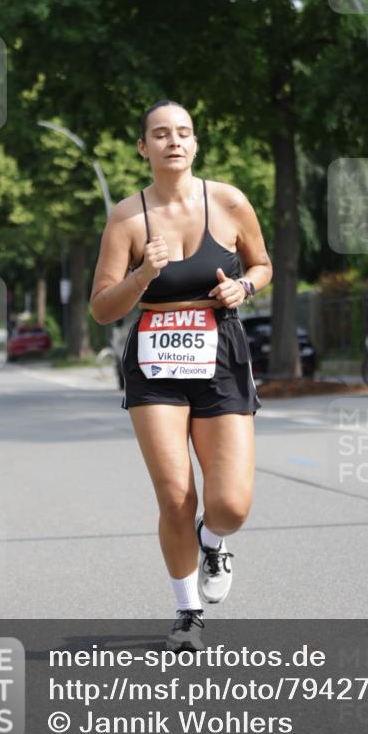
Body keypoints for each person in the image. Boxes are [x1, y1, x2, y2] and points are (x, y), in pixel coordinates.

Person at [90, 101, 273, 651]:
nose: (174, 141)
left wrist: (244, 287)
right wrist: (143, 274)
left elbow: (262, 264)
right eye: (161, 134)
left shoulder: (229, 201)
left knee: (231, 505)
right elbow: (101, 308)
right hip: (154, 359)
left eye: (184, 133)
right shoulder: (127, 218)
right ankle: (187, 610)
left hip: (221, 351)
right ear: (143, 147)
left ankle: (212, 541)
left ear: (195, 144)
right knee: (175, 495)